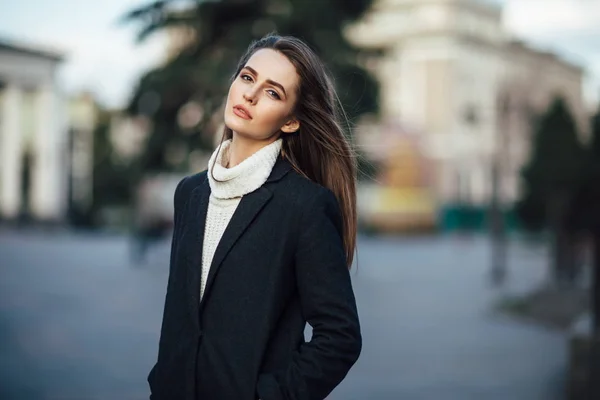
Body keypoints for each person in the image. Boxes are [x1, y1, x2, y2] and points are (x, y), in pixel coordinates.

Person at [148, 33, 362, 400]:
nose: (250, 94)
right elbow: (181, 318)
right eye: (247, 78)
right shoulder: (190, 193)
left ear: (291, 121)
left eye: (273, 92)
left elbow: (340, 337)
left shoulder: (305, 206)